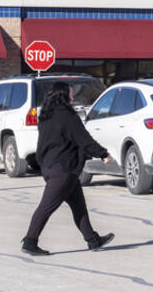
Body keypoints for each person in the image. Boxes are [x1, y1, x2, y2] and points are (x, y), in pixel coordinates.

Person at [22, 85, 115, 256]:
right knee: (46, 207)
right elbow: (83, 138)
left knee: (79, 207)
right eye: (71, 93)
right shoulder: (67, 116)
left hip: (52, 167)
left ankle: (92, 239)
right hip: (63, 170)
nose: (73, 96)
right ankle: (30, 241)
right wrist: (103, 154)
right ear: (64, 95)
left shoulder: (45, 115)